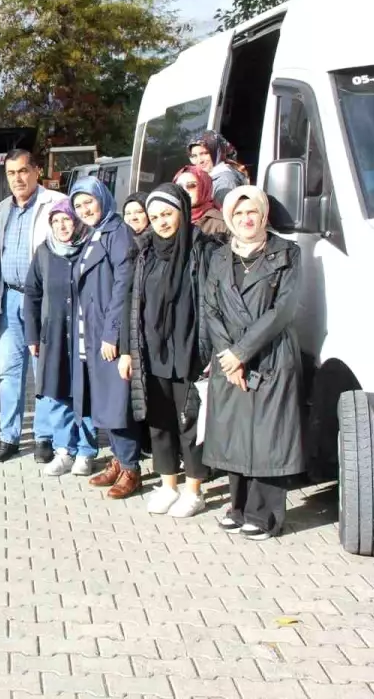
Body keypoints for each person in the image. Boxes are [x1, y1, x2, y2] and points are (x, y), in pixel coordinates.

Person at [203, 186, 303, 540]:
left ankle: (266, 516)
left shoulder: (287, 253)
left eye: (253, 213)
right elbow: (210, 309)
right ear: (229, 217)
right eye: (239, 214)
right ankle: (238, 506)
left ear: (264, 215)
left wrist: (241, 353)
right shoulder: (218, 257)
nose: (246, 220)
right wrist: (228, 357)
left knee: (267, 438)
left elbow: (283, 311)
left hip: (270, 356)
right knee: (234, 435)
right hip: (228, 359)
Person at [119, 185, 217, 518]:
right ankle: (168, 484)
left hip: (190, 349)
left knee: (189, 421)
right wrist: (127, 351)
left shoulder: (202, 249)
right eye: (156, 216)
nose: (161, 222)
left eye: (168, 214)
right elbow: (130, 302)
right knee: (159, 422)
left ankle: (194, 489)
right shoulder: (145, 251)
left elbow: (213, 302)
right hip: (151, 350)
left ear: (182, 212)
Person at [0, 149, 66, 463]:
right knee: (9, 371)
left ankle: (44, 436)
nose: (17, 178)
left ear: (36, 171)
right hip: (9, 297)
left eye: (23, 171)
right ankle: (8, 437)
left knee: (43, 367)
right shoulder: (0, 210)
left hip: (43, 299)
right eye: (11, 173)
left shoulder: (57, 203)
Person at [69, 177, 139, 499]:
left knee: (115, 400)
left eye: (89, 202)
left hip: (108, 333)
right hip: (91, 330)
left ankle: (131, 468)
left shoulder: (117, 232)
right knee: (103, 399)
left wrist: (113, 334)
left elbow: (123, 288)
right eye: (78, 205)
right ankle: (117, 459)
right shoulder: (93, 234)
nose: (84, 210)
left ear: (103, 199)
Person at [25, 199, 98, 477]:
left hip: (84, 334)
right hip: (53, 335)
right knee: (57, 394)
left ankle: (86, 451)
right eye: (56, 221)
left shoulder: (91, 248)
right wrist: (32, 335)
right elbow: (32, 294)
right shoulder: (44, 252)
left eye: (66, 219)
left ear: (77, 220)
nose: (62, 226)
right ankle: (64, 451)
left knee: (86, 393)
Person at [189, 130, 247, 206]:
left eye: (205, 153)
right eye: (194, 156)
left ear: (217, 152)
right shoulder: (207, 177)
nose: (199, 161)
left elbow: (225, 214)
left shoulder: (225, 181)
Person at [174, 165, 228, 238]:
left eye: (191, 185)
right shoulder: (171, 218)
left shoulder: (220, 223)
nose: (184, 191)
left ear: (204, 187)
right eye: (179, 187)